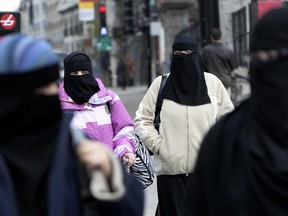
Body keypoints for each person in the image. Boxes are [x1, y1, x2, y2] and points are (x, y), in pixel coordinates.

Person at [0, 33, 144, 216]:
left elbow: (130, 208)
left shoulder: (72, 144)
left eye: (50, 84)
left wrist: (110, 174)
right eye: (39, 87)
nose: (50, 92)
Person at [188, 7, 288, 215]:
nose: (263, 64)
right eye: (258, 57)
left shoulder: (225, 138)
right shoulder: (225, 141)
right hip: (224, 82)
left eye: (273, 56)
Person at [134, 35, 234, 216]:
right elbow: (142, 119)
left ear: (197, 55)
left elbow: (229, 122)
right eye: (178, 53)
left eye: (188, 52)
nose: (183, 57)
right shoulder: (160, 84)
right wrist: (159, 146)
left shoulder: (212, 84)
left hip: (206, 173)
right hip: (171, 174)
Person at [58, 52, 136, 168]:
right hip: (74, 175)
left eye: (84, 73)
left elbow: (124, 129)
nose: (80, 77)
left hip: (109, 171)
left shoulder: (108, 98)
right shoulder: (57, 104)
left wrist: (125, 150)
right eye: (75, 73)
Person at [202, 28, 236, 93]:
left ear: (211, 37)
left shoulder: (205, 50)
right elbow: (233, 67)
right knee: (226, 101)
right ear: (221, 36)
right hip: (225, 81)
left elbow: (203, 65)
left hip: (211, 81)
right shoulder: (228, 50)